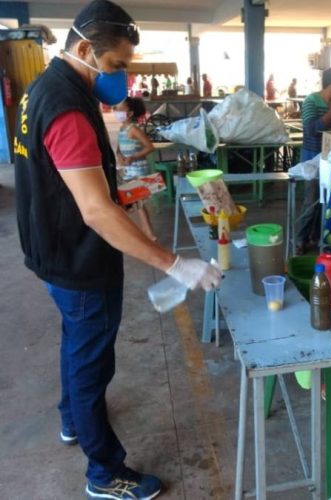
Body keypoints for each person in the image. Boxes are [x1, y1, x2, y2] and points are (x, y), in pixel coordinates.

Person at [13, 1, 221, 499]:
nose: (121, 78)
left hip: (50, 249)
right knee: (91, 364)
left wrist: (122, 191)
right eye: (116, 66)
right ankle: (105, 473)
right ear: (85, 50)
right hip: (80, 259)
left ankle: (71, 421)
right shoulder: (66, 106)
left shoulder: (42, 90)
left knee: (73, 343)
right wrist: (175, 263)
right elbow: (95, 213)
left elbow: (59, 183)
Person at [295, 66, 331, 255]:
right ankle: (300, 239)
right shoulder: (311, 101)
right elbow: (311, 129)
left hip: (330, 160)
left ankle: (315, 237)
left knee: (325, 201)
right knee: (310, 200)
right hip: (311, 158)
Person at [114, 96, 156, 241]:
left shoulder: (133, 129)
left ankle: (149, 233)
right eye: (116, 109)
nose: (117, 111)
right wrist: (119, 156)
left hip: (138, 168)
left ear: (130, 114)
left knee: (137, 202)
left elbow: (150, 147)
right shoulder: (122, 129)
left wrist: (133, 157)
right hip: (127, 169)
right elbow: (119, 149)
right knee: (135, 202)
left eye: (120, 109)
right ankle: (146, 231)